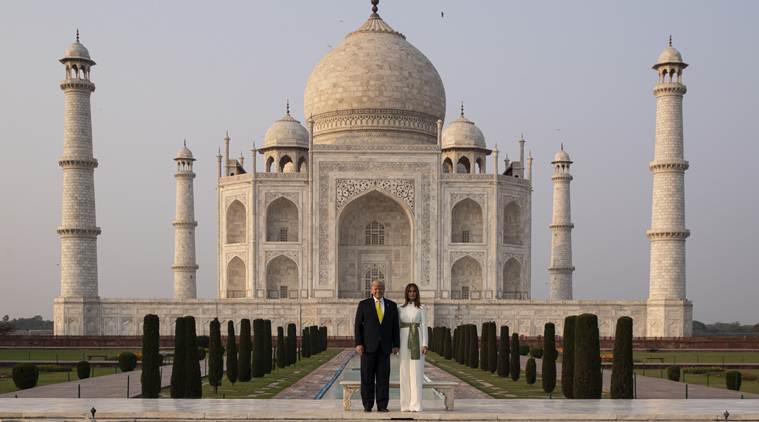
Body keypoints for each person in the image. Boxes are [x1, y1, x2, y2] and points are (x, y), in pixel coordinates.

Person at [354, 280, 399, 412]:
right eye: (375, 288)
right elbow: (357, 326)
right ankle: (367, 405)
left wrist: (396, 344)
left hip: (385, 348)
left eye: (380, 288)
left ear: (384, 289)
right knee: (367, 377)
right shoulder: (364, 304)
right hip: (368, 347)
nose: (378, 291)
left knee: (383, 378)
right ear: (371, 290)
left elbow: (395, 327)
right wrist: (358, 343)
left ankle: (382, 405)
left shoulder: (391, 305)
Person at [398, 283, 428, 412]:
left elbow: (424, 326)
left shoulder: (421, 308)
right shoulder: (400, 308)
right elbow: (397, 327)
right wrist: (396, 345)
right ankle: (405, 405)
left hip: (417, 339)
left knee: (416, 373)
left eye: (414, 291)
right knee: (404, 373)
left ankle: (415, 405)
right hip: (403, 340)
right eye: (409, 291)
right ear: (406, 293)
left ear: (417, 293)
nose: (412, 293)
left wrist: (425, 344)